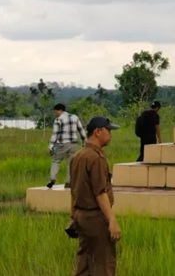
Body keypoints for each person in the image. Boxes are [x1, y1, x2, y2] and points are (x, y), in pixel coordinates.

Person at [68, 116, 121, 276]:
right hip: (95, 217)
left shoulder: (78, 155)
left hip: (81, 216)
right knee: (103, 265)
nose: (110, 134)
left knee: (84, 265)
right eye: (108, 130)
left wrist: (73, 216)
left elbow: (74, 190)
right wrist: (112, 220)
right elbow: (100, 192)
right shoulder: (96, 158)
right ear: (97, 132)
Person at [48, 103, 86, 189]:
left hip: (62, 144)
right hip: (73, 144)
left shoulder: (58, 120)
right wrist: (84, 141)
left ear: (60, 110)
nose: (55, 113)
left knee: (56, 161)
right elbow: (81, 130)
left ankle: (52, 179)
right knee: (70, 163)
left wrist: (51, 146)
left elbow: (55, 134)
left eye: (56, 112)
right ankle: (69, 182)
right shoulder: (75, 117)